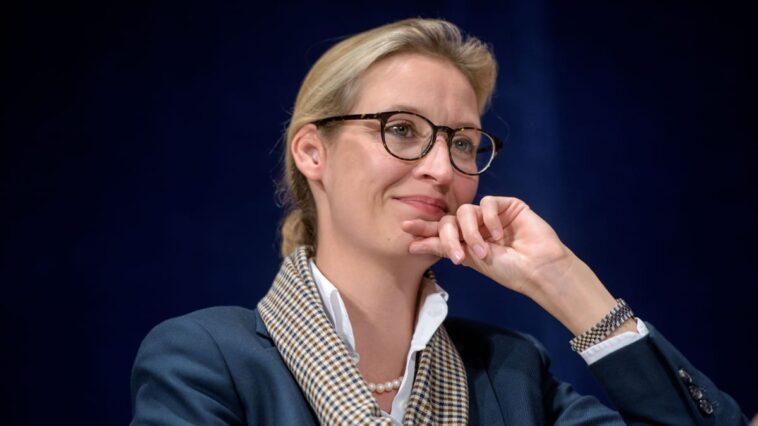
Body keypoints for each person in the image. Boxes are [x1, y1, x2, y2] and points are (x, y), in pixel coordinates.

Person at [130, 18, 747, 425]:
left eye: (463, 142)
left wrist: (563, 280)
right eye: (401, 129)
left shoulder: (509, 372)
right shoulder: (207, 359)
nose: (440, 167)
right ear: (313, 152)